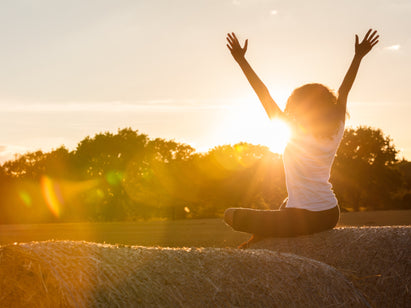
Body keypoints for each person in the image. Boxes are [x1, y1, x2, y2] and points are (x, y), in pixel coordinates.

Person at [224, 29, 379, 248]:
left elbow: (263, 93)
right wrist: (358, 56)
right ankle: (263, 237)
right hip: (329, 213)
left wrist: (241, 60)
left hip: (307, 217)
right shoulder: (336, 127)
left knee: (232, 216)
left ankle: (263, 237)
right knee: (285, 204)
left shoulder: (291, 130)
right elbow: (344, 90)